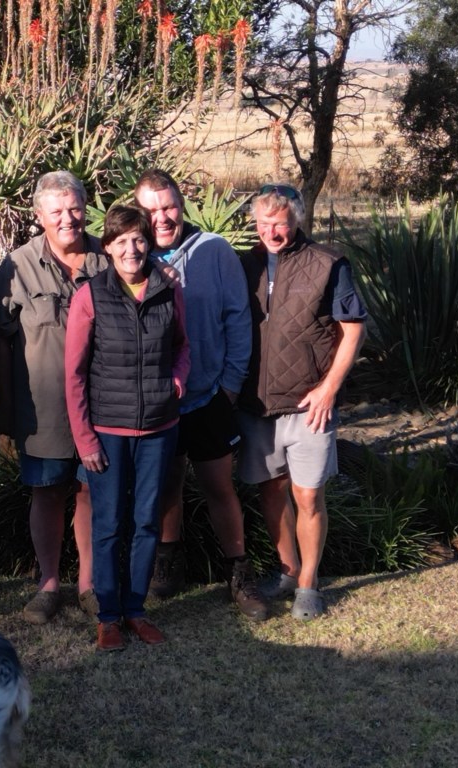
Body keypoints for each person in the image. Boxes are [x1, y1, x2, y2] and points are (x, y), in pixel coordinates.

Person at [134, 169, 269, 621]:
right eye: (151, 210)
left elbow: (237, 318)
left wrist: (230, 384)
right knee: (166, 484)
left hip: (210, 393)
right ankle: (168, 561)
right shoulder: (131, 255)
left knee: (218, 486)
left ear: (182, 203)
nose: (162, 217)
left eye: (169, 206)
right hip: (157, 399)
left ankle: (239, 571)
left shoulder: (214, 250)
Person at [238, 183, 367, 621]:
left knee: (309, 496)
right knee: (271, 491)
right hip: (257, 405)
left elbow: (353, 330)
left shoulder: (328, 263)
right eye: (263, 223)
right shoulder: (244, 264)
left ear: (297, 220)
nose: (271, 231)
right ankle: (288, 571)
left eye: (279, 223)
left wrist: (328, 388)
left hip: (310, 405)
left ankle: (309, 584)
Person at [65, 205, 190, 651]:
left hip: (158, 427)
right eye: (121, 241)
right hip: (107, 432)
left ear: (148, 243)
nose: (131, 249)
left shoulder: (167, 289)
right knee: (109, 524)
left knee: (146, 522)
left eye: (138, 239)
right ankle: (108, 617)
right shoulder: (90, 296)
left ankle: (136, 610)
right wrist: (85, 439)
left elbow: (182, 347)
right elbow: (74, 374)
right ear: (108, 248)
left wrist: (177, 380)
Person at [0, 170, 104, 624]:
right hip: (42, 409)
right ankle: (49, 583)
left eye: (75, 208)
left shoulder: (107, 258)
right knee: (46, 493)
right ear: (39, 216)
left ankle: (90, 585)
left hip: (101, 405)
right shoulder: (17, 265)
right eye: (56, 211)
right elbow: (1, 341)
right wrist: (5, 407)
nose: (67, 218)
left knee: (90, 492)